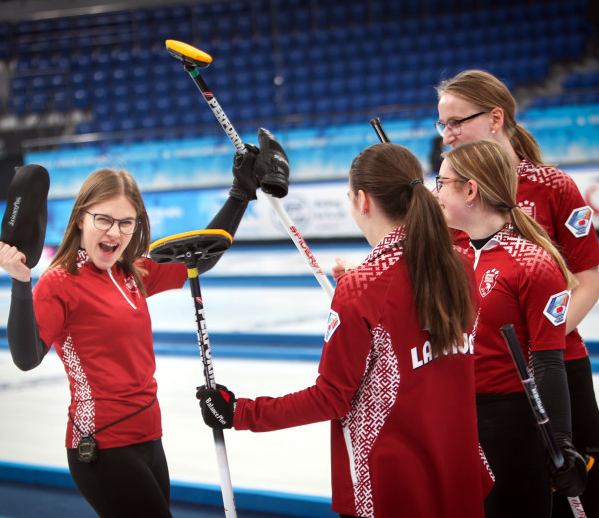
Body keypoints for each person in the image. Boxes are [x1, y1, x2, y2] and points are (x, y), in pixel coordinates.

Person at [0, 128, 289, 518]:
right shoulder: (60, 283)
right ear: (81, 218)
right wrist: (19, 284)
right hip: (101, 445)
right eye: (104, 219)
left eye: (126, 223)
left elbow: (200, 256)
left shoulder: (130, 272)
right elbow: (26, 357)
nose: (115, 232)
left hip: (149, 438)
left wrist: (241, 193)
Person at [196, 142, 494, 518]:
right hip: (457, 477)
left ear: (363, 201)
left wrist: (240, 413)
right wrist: (361, 280)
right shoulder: (460, 263)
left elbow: (331, 398)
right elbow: (410, 309)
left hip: (391, 488)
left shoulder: (365, 288)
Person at [435, 69, 599, 518]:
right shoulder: (452, 193)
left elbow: (587, 285)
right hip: (494, 387)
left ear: (496, 118)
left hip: (558, 367)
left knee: (572, 501)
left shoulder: (553, 186)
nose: (447, 135)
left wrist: (537, 346)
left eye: (456, 122)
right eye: (443, 125)